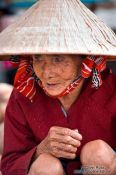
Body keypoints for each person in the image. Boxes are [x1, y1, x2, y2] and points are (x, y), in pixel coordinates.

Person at [0, 0, 116, 175]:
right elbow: (9, 163)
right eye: (38, 58)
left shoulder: (112, 89)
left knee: (97, 153)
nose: (47, 72)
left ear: (85, 60)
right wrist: (41, 150)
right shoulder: (23, 95)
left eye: (58, 59)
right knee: (46, 165)